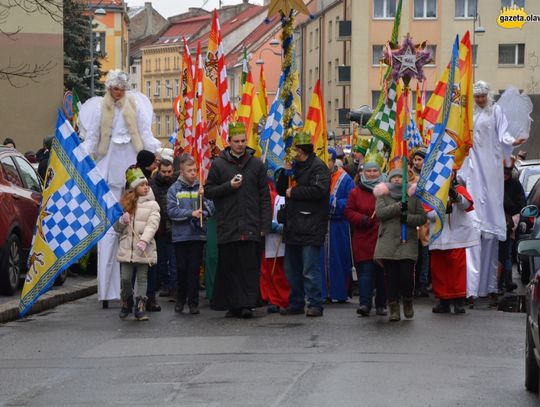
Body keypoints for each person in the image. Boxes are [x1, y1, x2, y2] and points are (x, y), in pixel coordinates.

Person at [79, 70, 160, 307]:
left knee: (136, 222)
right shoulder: (99, 109)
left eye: (122, 89)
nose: (119, 93)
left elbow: (145, 135)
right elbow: (93, 138)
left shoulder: (135, 106)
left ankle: (138, 291)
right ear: (109, 89)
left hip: (131, 164)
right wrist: (81, 154)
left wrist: (160, 150)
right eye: (115, 89)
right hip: (108, 164)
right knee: (110, 230)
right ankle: (108, 290)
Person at [458, 80, 525, 301]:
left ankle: (486, 286)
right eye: (476, 97)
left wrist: (511, 141)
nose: (479, 100)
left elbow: (503, 134)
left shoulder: (495, 112)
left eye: (482, 96)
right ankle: (470, 287)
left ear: (488, 95)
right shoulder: (469, 113)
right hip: (473, 162)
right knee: (474, 220)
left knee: (489, 225)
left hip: (491, 163)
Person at [205, 122, 272, 319]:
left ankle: (246, 305)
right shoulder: (218, 164)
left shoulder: (256, 164)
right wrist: (228, 186)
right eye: (237, 141)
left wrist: (265, 224)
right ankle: (233, 304)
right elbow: (208, 191)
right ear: (229, 142)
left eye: (243, 141)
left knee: (248, 268)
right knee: (230, 267)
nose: (241, 145)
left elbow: (264, 197)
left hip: (251, 225)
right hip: (228, 224)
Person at [275, 131, 330, 317]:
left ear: (302, 150)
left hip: (311, 225)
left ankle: (315, 303)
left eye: (295, 150)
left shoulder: (318, 167)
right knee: (292, 269)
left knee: (309, 269)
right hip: (293, 225)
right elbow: (282, 189)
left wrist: (294, 192)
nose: (293, 153)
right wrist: (284, 172)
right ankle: (296, 302)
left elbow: (319, 191)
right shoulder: (294, 167)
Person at [373, 168, 427, 322]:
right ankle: (394, 307)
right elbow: (380, 213)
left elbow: (422, 218)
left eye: (399, 177)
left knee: (406, 276)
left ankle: (408, 300)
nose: (396, 180)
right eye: (394, 177)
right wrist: (398, 207)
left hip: (407, 241)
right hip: (388, 241)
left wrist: (407, 218)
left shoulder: (413, 196)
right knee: (391, 277)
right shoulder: (382, 194)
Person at [168, 155, 215, 315]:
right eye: (189, 171)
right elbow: (172, 211)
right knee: (182, 268)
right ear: (182, 172)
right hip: (181, 236)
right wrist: (191, 213)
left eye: (194, 170)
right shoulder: (174, 189)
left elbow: (211, 208)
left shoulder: (200, 188)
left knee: (194, 269)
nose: (193, 173)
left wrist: (204, 206)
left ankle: (193, 303)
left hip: (197, 235)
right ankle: (180, 299)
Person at [115, 166, 160, 321]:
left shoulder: (153, 205)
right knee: (125, 278)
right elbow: (117, 228)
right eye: (142, 185)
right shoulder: (125, 204)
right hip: (127, 248)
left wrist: (144, 240)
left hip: (143, 248)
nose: (146, 187)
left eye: (147, 184)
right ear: (134, 187)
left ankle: (140, 305)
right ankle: (126, 300)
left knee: (142, 278)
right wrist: (122, 220)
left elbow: (152, 224)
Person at [429, 176, 479, 314]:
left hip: (457, 237)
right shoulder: (432, 191)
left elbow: (468, 205)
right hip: (439, 236)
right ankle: (443, 301)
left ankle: (458, 301)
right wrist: (442, 208)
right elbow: (429, 214)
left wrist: (456, 197)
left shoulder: (459, 189)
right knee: (439, 270)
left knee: (457, 270)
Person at [345, 161, 387, 317]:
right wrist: (361, 219)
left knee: (382, 273)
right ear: (363, 173)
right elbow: (349, 211)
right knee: (365, 272)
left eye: (374, 171)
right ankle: (365, 303)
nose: (371, 173)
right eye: (368, 171)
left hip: (382, 237)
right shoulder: (356, 192)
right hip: (363, 237)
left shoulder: (385, 191)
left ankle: (382, 304)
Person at [320, 147, 354, 302]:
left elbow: (350, 202)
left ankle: (339, 292)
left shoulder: (345, 179)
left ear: (333, 161)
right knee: (318, 260)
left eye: (328, 160)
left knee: (339, 258)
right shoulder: (316, 176)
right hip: (320, 225)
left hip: (338, 225)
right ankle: (321, 292)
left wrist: (331, 203)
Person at [148, 158, 176, 311]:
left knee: (173, 260)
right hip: (159, 228)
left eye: (169, 172)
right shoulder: (152, 185)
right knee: (161, 259)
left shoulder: (175, 184)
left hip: (174, 227)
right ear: (159, 171)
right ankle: (164, 285)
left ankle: (173, 287)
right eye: (164, 172)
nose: (167, 174)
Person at [260, 176, 290, 313]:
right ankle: (274, 299)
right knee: (272, 272)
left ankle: (286, 299)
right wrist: (273, 227)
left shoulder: (286, 198)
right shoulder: (268, 197)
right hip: (270, 240)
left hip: (285, 240)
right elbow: (261, 215)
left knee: (284, 272)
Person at [499, 159, 526, 293]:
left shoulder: (515, 185)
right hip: (497, 223)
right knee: (499, 254)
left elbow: (521, 205)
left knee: (506, 253)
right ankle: (499, 282)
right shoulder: (494, 184)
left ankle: (507, 280)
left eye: (507, 171)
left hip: (508, 224)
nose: (505, 174)